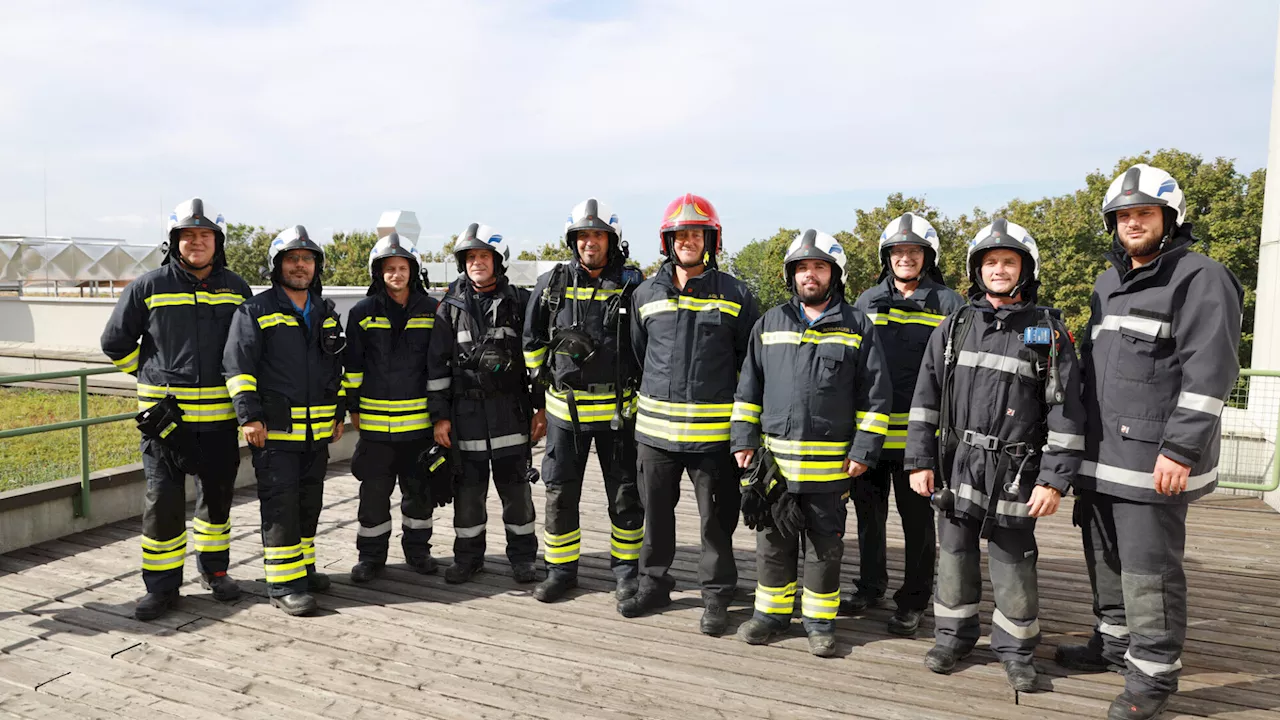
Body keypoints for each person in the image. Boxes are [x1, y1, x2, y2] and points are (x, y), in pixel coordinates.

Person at [1057, 164, 1243, 720]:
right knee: (1106, 560)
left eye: (1144, 213)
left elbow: (1210, 373)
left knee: (1150, 572)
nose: (1132, 223)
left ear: (1170, 217)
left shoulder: (1201, 277)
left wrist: (1181, 449)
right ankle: (1114, 645)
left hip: (1152, 462)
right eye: (1123, 215)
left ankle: (1153, 680)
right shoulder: (1107, 282)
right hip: (1100, 458)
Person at [905, 219, 1085, 692]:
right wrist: (920, 460)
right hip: (958, 464)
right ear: (976, 271)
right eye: (990, 263)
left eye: (1008, 262)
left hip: (1016, 471)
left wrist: (1054, 480)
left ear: (1026, 269)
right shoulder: (957, 326)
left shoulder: (1043, 332)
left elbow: (1064, 410)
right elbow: (926, 397)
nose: (998, 270)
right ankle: (953, 637)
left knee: (1013, 563)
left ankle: (1016, 649)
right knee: (954, 556)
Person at [730, 229, 892, 657]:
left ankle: (819, 621)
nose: (810, 275)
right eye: (802, 268)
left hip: (830, 469)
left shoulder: (858, 326)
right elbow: (748, 391)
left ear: (834, 274)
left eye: (819, 267)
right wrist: (743, 439)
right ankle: (771, 615)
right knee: (773, 543)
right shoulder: (769, 323)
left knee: (825, 548)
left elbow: (876, 399)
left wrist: (863, 450)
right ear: (791, 276)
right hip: (775, 468)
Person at [101, 198, 253, 620]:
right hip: (166, 428)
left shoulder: (237, 289)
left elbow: (245, 349)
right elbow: (114, 343)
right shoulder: (147, 286)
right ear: (174, 241)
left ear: (218, 242)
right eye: (189, 236)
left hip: (220, 424)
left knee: (217, 503)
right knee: (163, 506)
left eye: (205, 235)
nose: (197, 242)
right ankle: (162, 588)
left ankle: (215, 571)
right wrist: (148, 375)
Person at [621, 194, 760, 634]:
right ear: (668, 241)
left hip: (713, 439)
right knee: (655, 517)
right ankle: (653, 584)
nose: (688, 241)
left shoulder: (737, 294)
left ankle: (717, 595)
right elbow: (638, 355)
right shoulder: (645, 293)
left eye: (696, 234)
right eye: (680, 235)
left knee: (716, 523)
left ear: (710, 241)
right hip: (655, 437)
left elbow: (749, 365)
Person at [845, 212, 964, 635]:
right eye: (897, 251)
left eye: (913, 251)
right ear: (887, 257)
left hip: (919, 439)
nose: (905, 258)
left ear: (927, 256)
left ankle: (913, 600)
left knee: (918, 524)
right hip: (871, 435)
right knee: (868, 517)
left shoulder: (949, 305)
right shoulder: (865, 302)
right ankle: (870, 585)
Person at [522, 198, 645, 603]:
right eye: (583, 235)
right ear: (572, 240)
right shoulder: (552, 283)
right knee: (560, 493)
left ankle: (627, 572)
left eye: (598, 235)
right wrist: (543, 386)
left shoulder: (632, 286)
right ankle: (561, 571)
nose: (590, 242)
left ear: (612, 240)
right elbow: (531, 342)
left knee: (626, 494)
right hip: (564, 414)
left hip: (617, 415)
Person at [223, 225, 346, 616]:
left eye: (307, 259)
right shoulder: (254, 311)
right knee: (281, 506)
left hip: (317, 432)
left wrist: (339, 413)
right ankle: (282, 584)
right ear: (276, 266)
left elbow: (335, 370)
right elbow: (238, 368)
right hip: (275, 430)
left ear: (316, 267)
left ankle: (304, 568)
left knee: (310, 502)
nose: (300, 266)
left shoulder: (325, 312)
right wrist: (250, 417)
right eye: (292, 259)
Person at [427, 223, 540, 585]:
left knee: (517, 495)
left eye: (484, 256)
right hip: (467, 417)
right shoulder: (449, 306)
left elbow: (536, 359)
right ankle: (468, 558)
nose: (477, 262)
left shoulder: (521, 302)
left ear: (498, 260)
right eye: (471, 257)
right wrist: (440, 417)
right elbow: (437, 365)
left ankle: (523, 559)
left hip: (511, 414)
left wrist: (540, 409)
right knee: (469, 496)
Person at [344, 232, 440, 582]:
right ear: (379, 273)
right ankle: (371, 558)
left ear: (412, 271)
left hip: (418, 429)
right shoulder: (362, 313)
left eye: (402, 268)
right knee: (373, 498)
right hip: (375, 430)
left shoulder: (432, 311)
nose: (396, 274)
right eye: (389, 269)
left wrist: (440, 416)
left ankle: (418, 552)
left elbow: (439, 367)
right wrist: (353, 411)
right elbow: (352, 367)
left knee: (419, 496)